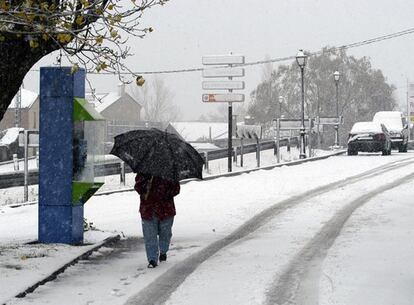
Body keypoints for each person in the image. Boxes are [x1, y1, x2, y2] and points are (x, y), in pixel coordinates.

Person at [134, 173, 180, 268]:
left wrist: (165, 192)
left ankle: (163, 251)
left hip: (166, 209)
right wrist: (146, 184)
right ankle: (152, 259)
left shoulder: (169, 172)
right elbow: (138, 187)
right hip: (148, 209)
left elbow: (176, 189)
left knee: (165, 233)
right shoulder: (144, 172)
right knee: (149, 235)